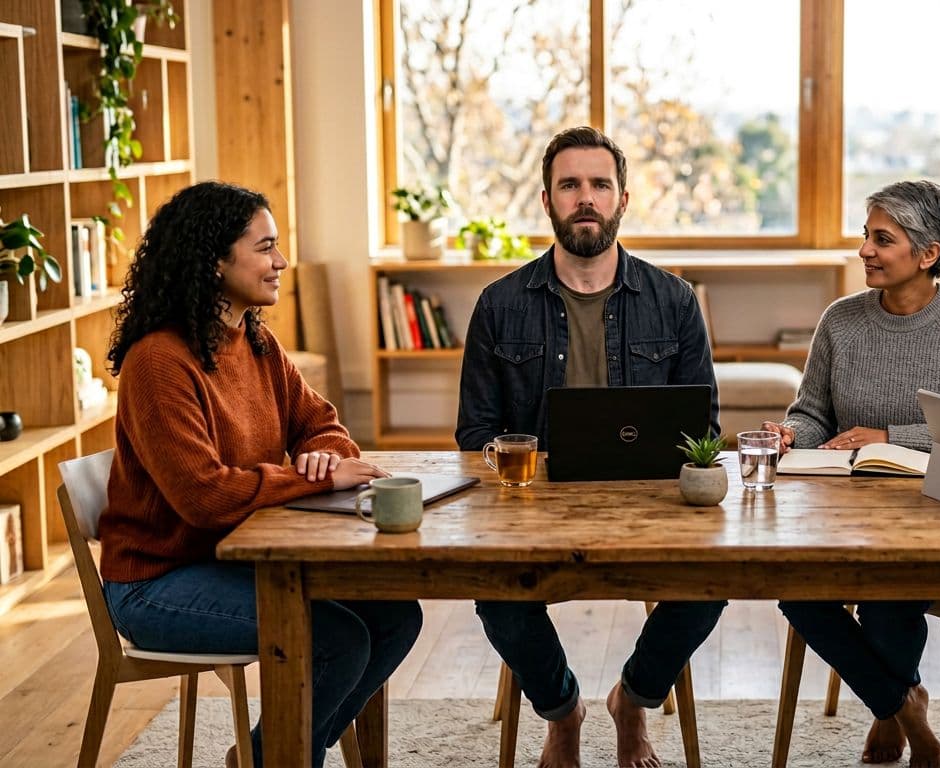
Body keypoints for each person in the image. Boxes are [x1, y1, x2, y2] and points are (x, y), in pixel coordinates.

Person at [100, 181, 423, 768]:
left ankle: (264, 755)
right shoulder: (158, 363)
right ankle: (285, 758)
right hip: (158, 582)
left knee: (397, 614)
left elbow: (322, 424)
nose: (281, 262)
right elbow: (204, 497)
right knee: (336, 642)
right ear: (215, 260)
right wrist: (318, 479)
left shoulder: (254, 340)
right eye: (266, 247)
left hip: (236, 559)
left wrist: (322, 455)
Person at [456, 126, 724, 768]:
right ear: (546, 200)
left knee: (716, 581)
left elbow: (702, 428)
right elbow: (473, 435)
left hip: (648, 506)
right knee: (492, 588)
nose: (585, 198)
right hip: (534, 509)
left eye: (599, 185)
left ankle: (633, 700)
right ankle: (562, 710)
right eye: (569, 185)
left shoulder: (674, 300)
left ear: (623, 199)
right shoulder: (497, 305)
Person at [764, 180, 940, 768]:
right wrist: (791, 433)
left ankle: (887, 711)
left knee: (889, 594)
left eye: (883, 239)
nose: (865, 251)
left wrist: (891, 438)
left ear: (928, 253)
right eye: (866, 236)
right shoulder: (841, 320)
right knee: (796, 592)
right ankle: (904, 706)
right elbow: (811, 410)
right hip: (847, 510)